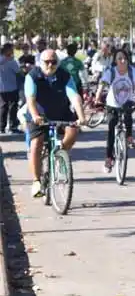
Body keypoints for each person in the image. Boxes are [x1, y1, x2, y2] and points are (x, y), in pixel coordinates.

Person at [25, 49, 85, 198]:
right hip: (39, 115)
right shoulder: (33, 76)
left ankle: (59, 154)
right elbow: (30, 99)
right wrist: (34, 115)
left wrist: (81, 116)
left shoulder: (64, 75)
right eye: (47, 62)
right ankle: (36, 181)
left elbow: (74, 96)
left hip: (61, 112)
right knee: (36, 144)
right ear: (41, 62)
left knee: (73, 131)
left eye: (53, 62)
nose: (50, 65)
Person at [96, 48, 135, 174]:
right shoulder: (110, 72)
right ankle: (109, 158)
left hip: (128, 101)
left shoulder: (133, 72)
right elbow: (102, 84)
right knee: (111, 127)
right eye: (119, 58)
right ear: (115, 61)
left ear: (128, 59)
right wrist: (97, 97)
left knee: (128, 113)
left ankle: (129, 136)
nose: (122, 61)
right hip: (112, 103)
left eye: (124, 58)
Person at [0, 43, 21, 134]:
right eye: (11, 49)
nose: (12, 51)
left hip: (1, 88)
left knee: (3, 107)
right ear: (7, 50)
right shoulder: (11, 61)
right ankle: (13, 127)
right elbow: (18, 71)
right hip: (12, 87)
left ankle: (1, 127)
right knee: (13, 107)